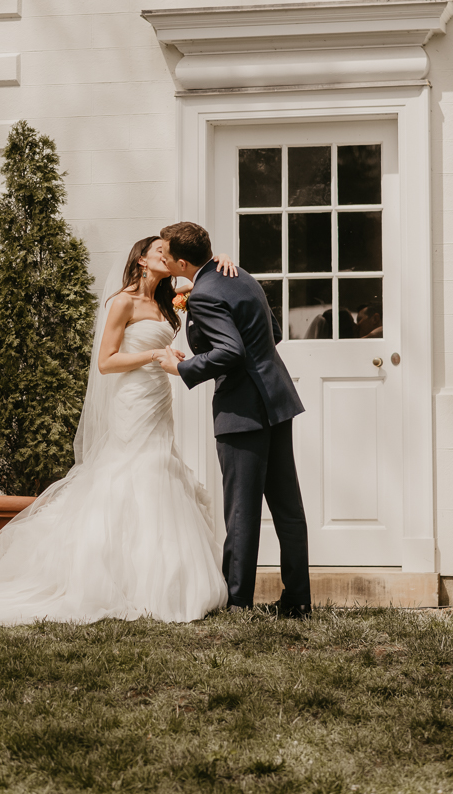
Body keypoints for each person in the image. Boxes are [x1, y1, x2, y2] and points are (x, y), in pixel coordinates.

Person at [0, 238, 238, 629]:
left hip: (157, 398)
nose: (166, 255)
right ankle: (117, 580)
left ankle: (164, 577)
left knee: (161, 468)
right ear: (142, 260)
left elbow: (199, 271)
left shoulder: (168, 299)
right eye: (159, 250)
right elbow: (106, 362)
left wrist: (217, 261)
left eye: (170, 251)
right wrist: (153, 355)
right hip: (131, 399)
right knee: (133, 472)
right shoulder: (123, 302)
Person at [157, 222, 311, 618]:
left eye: (168, 254)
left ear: (182, 261)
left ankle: (238, 602)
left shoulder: (206, 293)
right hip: (276, 399)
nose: (164, 258)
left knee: (241, 510)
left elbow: (229, 352)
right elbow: (272, 332)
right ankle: (297, 600)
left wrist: (185, 368)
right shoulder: (239, 275)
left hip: (243, 411)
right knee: (287, 508)